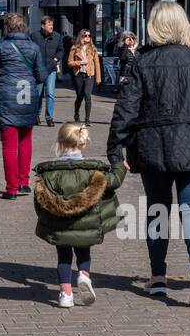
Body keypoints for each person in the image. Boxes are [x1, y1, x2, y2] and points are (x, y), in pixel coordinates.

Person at [107, 2, 190, 306]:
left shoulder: (143, 64)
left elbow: (125, 111)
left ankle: (158, 277)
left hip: (153, 148)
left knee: (158, 210)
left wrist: (115, 150)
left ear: (153, 27)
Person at [32, 123, 129, 308]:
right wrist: (120, 167)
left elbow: (40, 202)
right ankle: (84, 275)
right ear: (83, 144)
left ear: (60, 143)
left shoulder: (49, 174)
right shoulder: (93, 171)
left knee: (63, 257)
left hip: (60, 226)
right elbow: (114, 181)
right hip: (87, 224)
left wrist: (45, 220)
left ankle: (65, 294)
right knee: (83, 252)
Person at [0, 12, 48, 200]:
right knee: (26, 140)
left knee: (10, 145)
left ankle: (11, 188)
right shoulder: (34, 47)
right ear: (25, 27)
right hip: (28, 98)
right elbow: (42, 76)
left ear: (7, 28)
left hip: (7, 99)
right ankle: (23, 182)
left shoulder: (1, 47)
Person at [66, 29, 102, 124]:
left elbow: (97, 64)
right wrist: (80, 62)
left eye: (89, 36)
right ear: (81, 36)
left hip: (90, 75)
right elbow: (69, 63)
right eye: (85, 36)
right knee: (79, 97)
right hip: (78, 75)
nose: (88, 38)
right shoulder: (74, 48)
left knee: (87, 95)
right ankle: (76, 114)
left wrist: (98, 78)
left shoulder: (93, 49)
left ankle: (87, 119)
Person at [34, 16, 63, 127]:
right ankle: (36, 116)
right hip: (39, 69)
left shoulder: (57, 36)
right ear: (43, 25)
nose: (51, 27)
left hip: (51, 69)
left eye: (52, 25)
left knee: (50, 93)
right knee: (39, 94)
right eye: (49, 25)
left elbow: (61, 51)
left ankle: (49, 118)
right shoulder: (34, 36)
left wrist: (55, 60)